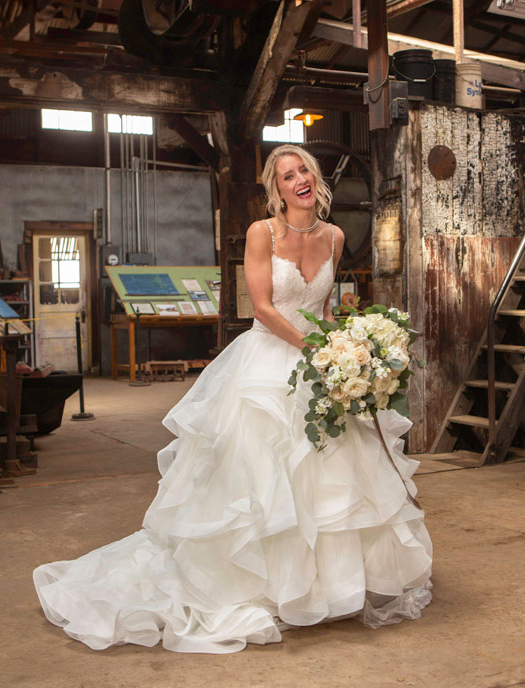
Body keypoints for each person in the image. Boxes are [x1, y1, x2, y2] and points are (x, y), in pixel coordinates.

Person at [34, 144, 432, 654]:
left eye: (304, 170)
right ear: (277, 189)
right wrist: (317, 348)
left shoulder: (334, 237)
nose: (299, 180)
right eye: (287, 176)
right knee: (262, 477)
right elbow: (262, 308)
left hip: (322, 361)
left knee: (331, 477)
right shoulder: (263, 233)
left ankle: (329, 589)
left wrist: (347, 349)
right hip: (268, 363)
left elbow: (326, 309)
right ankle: (258, 585)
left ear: (316, 178)